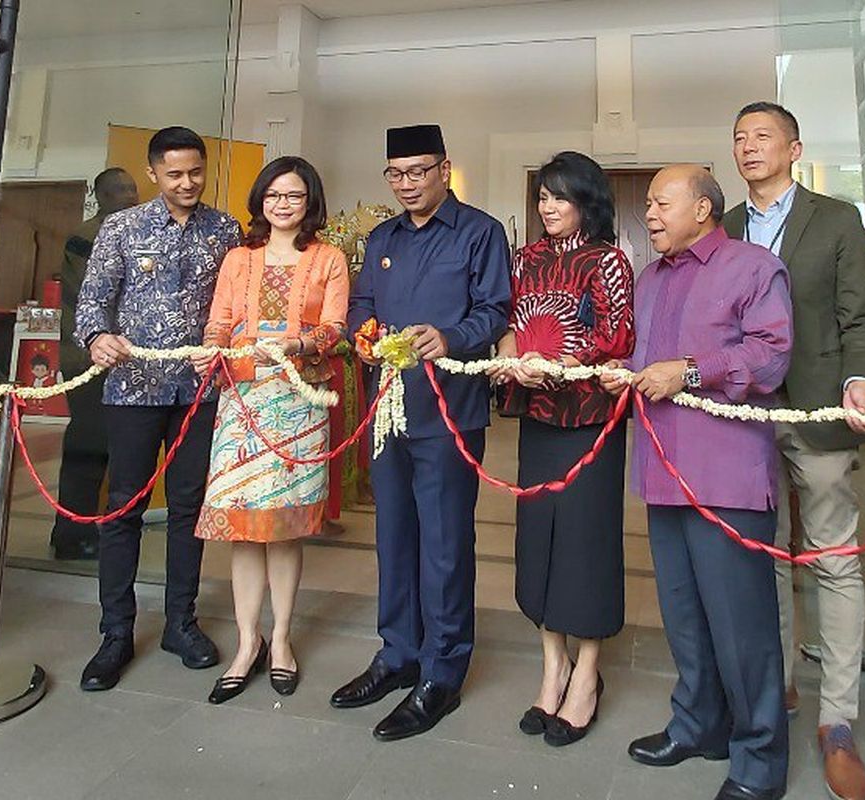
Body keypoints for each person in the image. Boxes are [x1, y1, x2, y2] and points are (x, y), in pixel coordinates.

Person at [603, 165, 792, 800]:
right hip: (662, 470)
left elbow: (770, 356)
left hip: (726, 477)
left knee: (743, 627)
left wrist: (688, 371)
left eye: (661, 203)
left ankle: (760, 763)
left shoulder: (753, 267)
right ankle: (699, 726)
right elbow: (645, 356)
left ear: (704, 210)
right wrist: (623, 373)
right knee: (684, 617)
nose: (649, 213)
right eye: (649, 204)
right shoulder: (650, 279)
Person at [722, 101, 865, 800]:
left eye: (763, 136)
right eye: (739, 138)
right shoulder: (724, 226)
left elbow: (862, 315)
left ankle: (838, 720)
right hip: (744, 418)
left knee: (832, 560)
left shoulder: (837, 218)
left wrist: (859, 381)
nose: (749, 147)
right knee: (762, 558)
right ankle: (777, 685)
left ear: (794, 148)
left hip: (818, 409)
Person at [331, 124, 511, 741]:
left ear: (444, 169)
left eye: (419, 171)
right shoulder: (382, 238)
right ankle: (398, 652)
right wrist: (364, 329)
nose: (408, 184)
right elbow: (361, 304)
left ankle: (442, 671)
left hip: (449, 415)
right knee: (394, 536)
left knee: (443, 544)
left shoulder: (480, 232)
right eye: (396, 174)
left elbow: (495, 310)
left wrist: (451, 336)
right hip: (389, 409)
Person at [74, 126, 242, 692]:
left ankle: (181, 623)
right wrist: (97, 335)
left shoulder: (226, 230)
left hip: (198, 392)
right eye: (174, 173)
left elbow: (236, 307)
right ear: (153, 174)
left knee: (189, 508)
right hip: (133, 389)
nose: (187, 182)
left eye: (195, 171)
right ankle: (115, 633)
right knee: (124, 507)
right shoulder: (120, 228)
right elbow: (93, 300)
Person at [486, 151, 634, 746]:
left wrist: (567, 362)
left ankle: (588, 675)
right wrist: (512, 357)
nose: (547, 207)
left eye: (560, 197)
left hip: (591, 418)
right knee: (540, 536)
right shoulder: (526, 258)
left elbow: (617, 335)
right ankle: (553, 667)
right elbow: (513, 323)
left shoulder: (610, 260)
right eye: (543, 196)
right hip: (539, 415)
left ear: (587, 202)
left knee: (586, 541)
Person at [190, 156, 349, 704]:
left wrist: (301, 346)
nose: (283, 205)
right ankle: (246, 642)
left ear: (310, 203)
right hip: (242, 400)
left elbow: (334, 327)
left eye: (295, 196)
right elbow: (219, 319)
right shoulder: (238, 257)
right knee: (242, 529)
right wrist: (209, 349)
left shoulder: (329, 258)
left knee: (282, 529)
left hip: (299, 402)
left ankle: (281, 640)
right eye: (274, 195)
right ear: (260, 200)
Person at [51, 167, 138, 560]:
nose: (128, 196)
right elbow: (99, 294)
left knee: (110, 448)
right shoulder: (86, 237)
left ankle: (90, 528)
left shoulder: (129, 232)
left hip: (120, 360)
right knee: (88, 446)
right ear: (100, 195)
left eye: (132, 189)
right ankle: (72, 533)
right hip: (87, 358)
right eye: (118, 190)